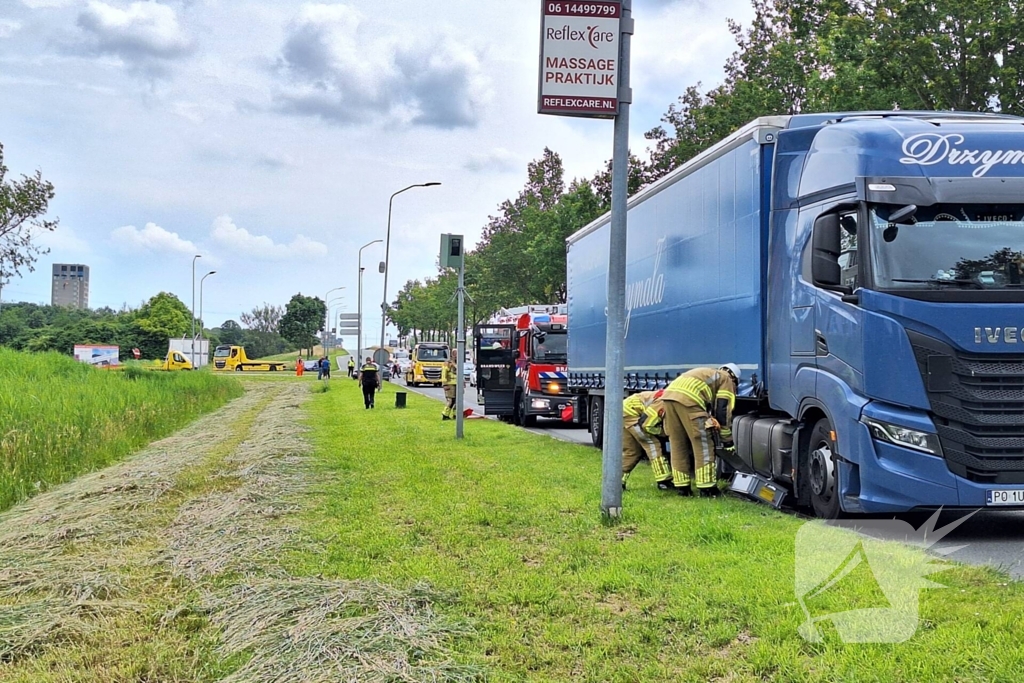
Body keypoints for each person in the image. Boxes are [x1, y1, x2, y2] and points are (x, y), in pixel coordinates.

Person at [661, 364, 739, 498]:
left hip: (668, 398)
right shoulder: (726, 379)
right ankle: (707, 489)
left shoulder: (707, 373)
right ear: (734, 377)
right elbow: (723, 408)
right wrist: (727, 441)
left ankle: (682, 488)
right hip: (690, 401)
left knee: (677, 444)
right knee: (703, 444)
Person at [621, 390, 673, 490]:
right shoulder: (663, 402)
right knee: (652, 444)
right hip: (632, 413)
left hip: (624, 411)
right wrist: (662, 433)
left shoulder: (667, 395)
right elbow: (647, 425)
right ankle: (664, 481)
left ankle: (617, 482)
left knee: (632, 451)